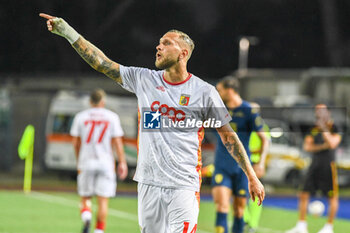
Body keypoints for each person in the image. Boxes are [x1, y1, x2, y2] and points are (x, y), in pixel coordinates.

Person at [40, 13, 265, 233]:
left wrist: (251, 176)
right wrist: (68, 32)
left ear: (183, 53)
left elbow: (228, 136)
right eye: (159, 43)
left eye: (166, 43)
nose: (158, 47)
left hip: (183, 186)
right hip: (148, 184)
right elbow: (102, 63)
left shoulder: (204, 92)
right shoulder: (144, 80)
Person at [212, 78, 269, 233]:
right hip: (222, 166)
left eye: (220, 90)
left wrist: (261, 163)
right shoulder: (219, 109)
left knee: (239, 210)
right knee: (222, 206)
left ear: (230, 90)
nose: (218, 93)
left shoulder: (248, 110)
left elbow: (265, 139)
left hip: (242, 169)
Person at [70, 89, 128, 233]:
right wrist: (122, 162)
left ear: (90, 101)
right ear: (103, 101)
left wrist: (79, 161)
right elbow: (117, 142)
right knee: (103, 201)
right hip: (106, 163)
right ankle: (99, 231)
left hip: (86, 162)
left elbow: (76, 143)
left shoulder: (80, 117)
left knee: (85, 197)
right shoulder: (112, 117)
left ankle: (86, 215)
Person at [286, 104, 342, 233]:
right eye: (317, 110)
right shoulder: (313, 128)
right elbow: (307, 147)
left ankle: (329, 227)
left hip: (328, 166)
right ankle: (301, 225)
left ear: (328, 112)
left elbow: (333, 143)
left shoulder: (334, 127)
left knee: (332, 197)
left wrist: (324, 129)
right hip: (314, 164)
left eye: (322, 110)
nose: (319, 113)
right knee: (304, 194)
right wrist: (323, 146)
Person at [244, 121, 271, 233]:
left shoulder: (262, 128)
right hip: (243, 163)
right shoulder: (243, 125)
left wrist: (260, 163)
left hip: (255, 163)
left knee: (255, 194)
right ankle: (245, 219)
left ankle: (252, 224)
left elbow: (266, 145)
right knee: (239, 192)